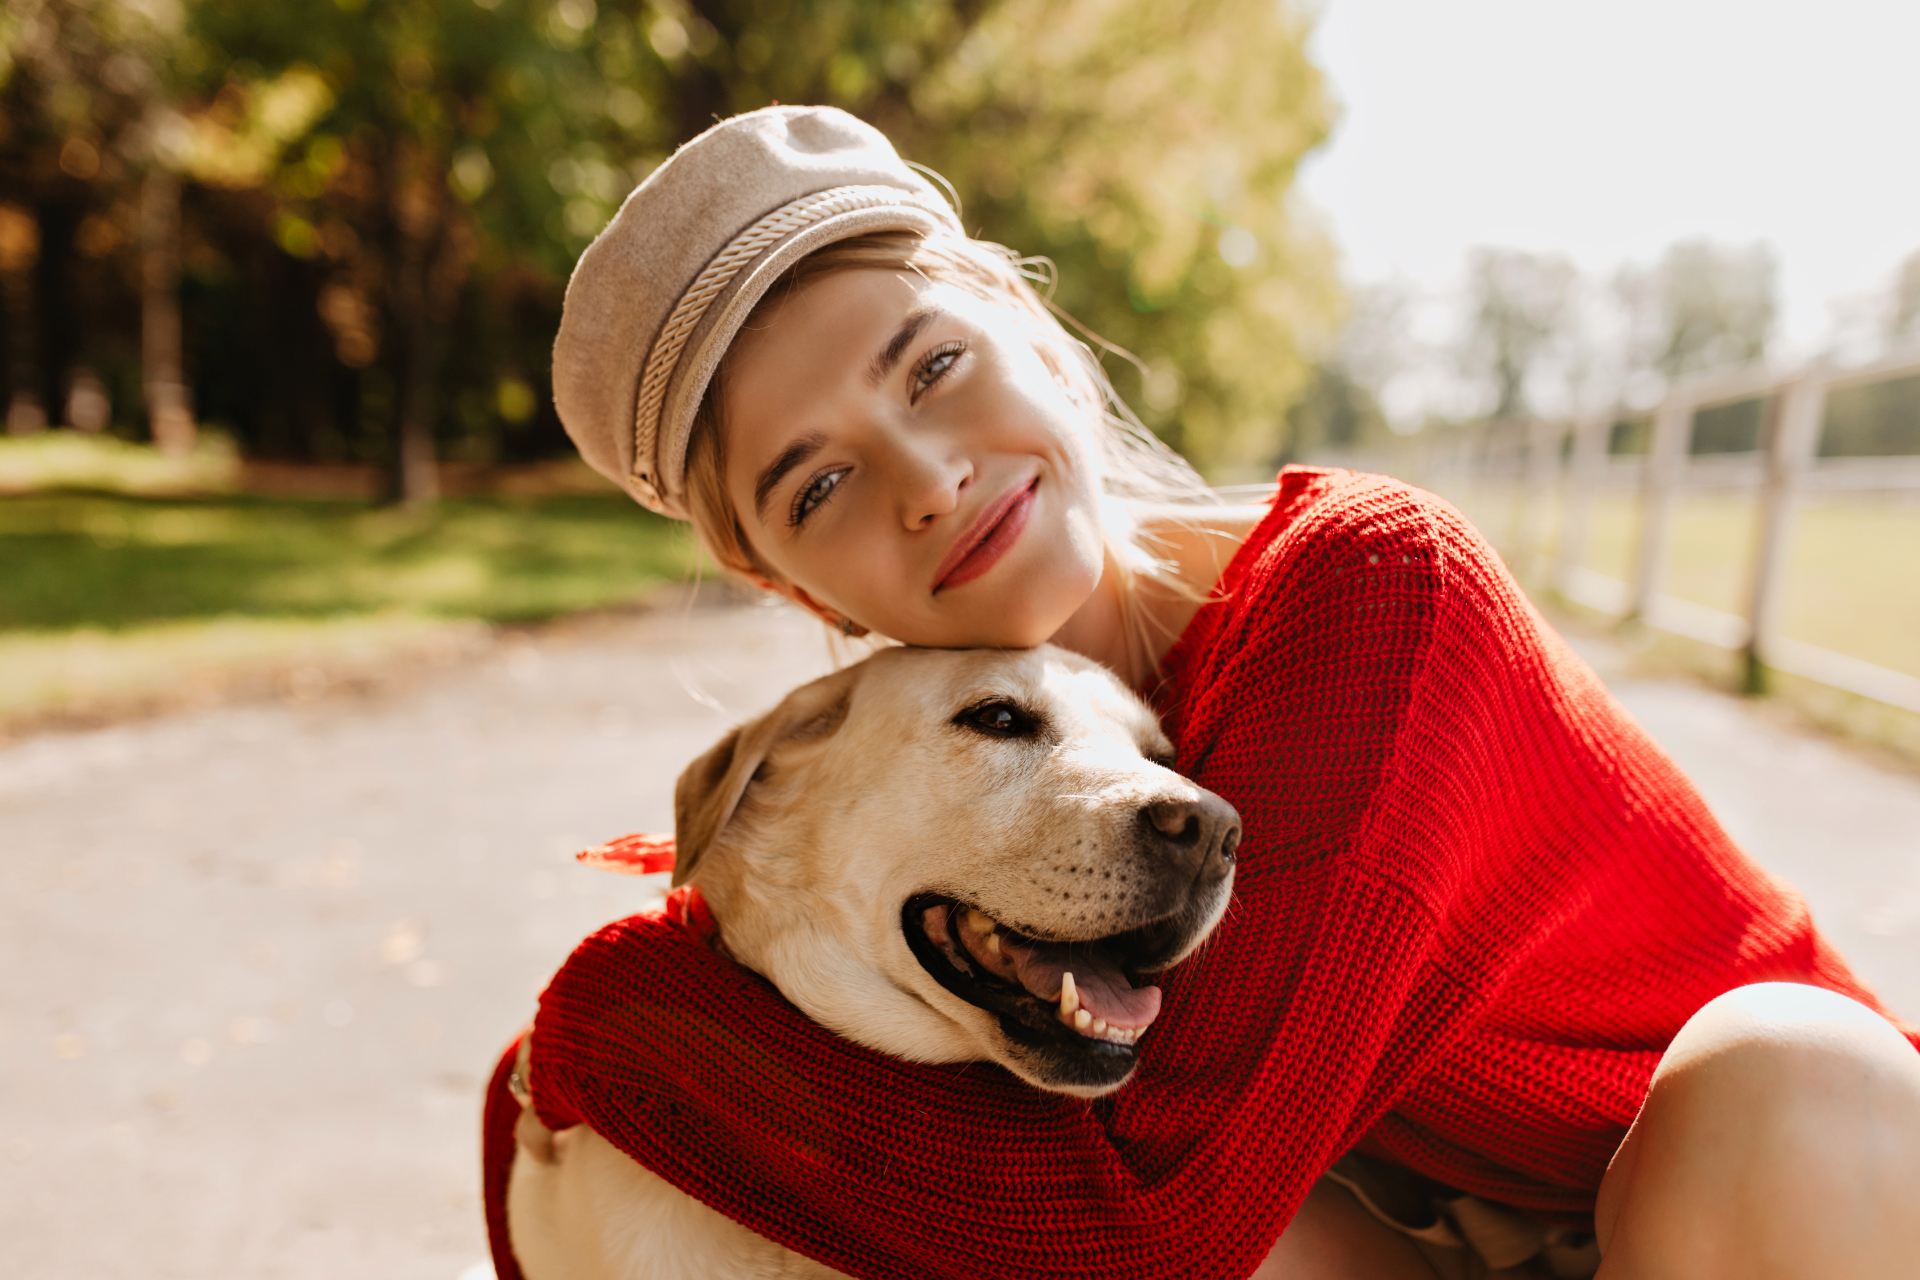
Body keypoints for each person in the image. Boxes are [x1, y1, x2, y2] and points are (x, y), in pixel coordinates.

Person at [485, 105, 1920, 1279]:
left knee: (1788, 1072)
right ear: (787, 581)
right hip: (1417, 1226)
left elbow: (1151, 1228)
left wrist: (628, 1034)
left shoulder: (1369, 590)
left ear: (1031, 329)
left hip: (1773, 1202)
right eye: (818, 485)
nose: (928, 478)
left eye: (933, 366)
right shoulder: (922, 791)